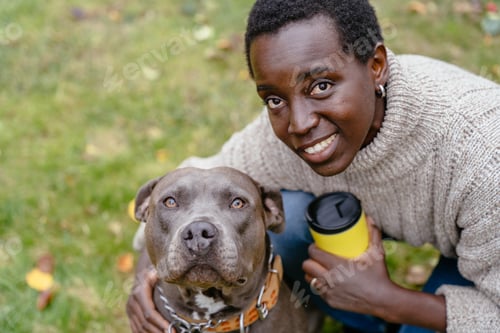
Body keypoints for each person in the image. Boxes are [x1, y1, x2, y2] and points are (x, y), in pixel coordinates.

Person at [126, 0, 500, 332]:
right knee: (285, 232)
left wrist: (388, 299)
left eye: (320, 86)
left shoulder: (484, 157)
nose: (299, 124)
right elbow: (190, 186)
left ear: (376, 67)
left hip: (486, 254)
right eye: (274, 99)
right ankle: (371, 319)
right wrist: (148, 277)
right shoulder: (283, 136)